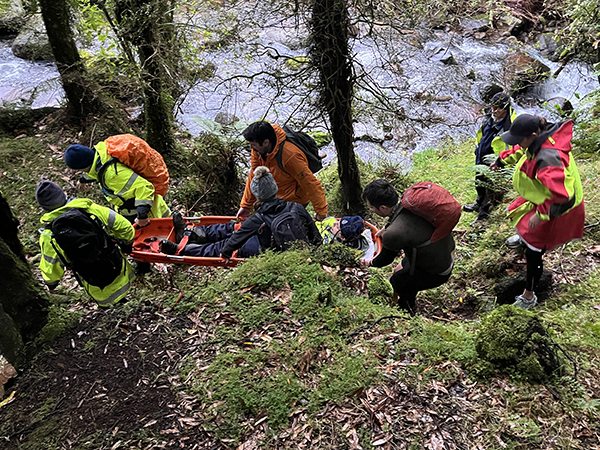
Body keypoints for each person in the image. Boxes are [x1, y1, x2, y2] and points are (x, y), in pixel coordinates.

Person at [491, 114, 585, 309]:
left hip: (557, 205)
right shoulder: (540, 137)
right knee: (525, 224)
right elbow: (521, 150)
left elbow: (564, 196)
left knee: (534, 250)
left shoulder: (548, 158)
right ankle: (526, 238)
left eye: (519, 139)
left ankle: (529, 295)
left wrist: (541, 213)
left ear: (533, 135)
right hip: (542, 195)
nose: (517, 143)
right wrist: (501, 161)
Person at [160, 166, 322, 258]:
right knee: (233, 228)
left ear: (258, 195)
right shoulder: (297, 207)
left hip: (269, 250)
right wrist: (317, 251)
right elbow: (314, 234)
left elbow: (236, 241)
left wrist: (225, 253)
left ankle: (182, 250)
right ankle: (194, 233)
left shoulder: (259, 218)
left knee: (223, 243)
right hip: (271, 240)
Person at [361, 180, 456, 314]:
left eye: (371, 207)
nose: (371, 210)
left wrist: (369, 262)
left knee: (396, 283)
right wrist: (386, 228)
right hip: (445, 252)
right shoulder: (410, 202)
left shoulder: (394, 233)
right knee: (399, 269)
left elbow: (385, 260)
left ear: (383, 208)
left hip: (437, 270)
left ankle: (407, 312)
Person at [36, 181, 135, 307]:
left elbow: (51, 265)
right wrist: (127, 244)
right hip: (119, 267)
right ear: (63, 195)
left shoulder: (49, 234)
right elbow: (124, 226)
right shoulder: (89, 209)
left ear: (44, 208)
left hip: (95, 283)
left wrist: (51, 284)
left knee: (109, 307)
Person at [63, 137, 170, 228]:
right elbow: (94, 171)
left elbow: (145, 187)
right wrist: (83, 180)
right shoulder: (101, 154)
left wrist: (142, 215)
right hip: (134, 209)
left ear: (82, 167)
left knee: (160, 237)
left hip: (145, 213)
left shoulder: (112, 175)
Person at [236, 121, 328, 222]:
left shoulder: (290, 156)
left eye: (252, 144)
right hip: (275, 196)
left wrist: (321, 212)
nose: (250, 147)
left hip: (295, 199)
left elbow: (309, 183)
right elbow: (255, 175)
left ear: (266, 142)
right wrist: (246, 206)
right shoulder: (258, 151)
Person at [463, 92, 515, 223]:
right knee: (479, 182)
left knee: (489, 189)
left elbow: (513, 149)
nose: (494, 110)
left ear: (506, 108)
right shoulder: (488, 116)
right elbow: (481, 132)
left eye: (498, 108)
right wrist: (477, 149)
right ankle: (478, 202)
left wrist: (503, 165)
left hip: (496, 162)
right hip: (481, 157)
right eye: (492, 106)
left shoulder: (511, 125)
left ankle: (482, 217)